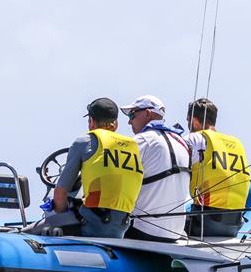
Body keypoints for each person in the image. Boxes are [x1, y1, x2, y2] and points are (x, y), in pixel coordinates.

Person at [50, 97, 144, 238]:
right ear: (116, 124)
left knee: (40, 229)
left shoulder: (84, 141)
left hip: (92, 227)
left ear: (92, 122)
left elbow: (60, 194)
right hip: (121, 229)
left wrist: (57, 216)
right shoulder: (133, 146)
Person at [120, 95, 190, 242]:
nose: (128, 121)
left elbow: (118, 181)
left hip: (143, 231)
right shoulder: (182, 142)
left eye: (132, 114)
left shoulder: (140, 141)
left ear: (147, 113)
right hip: (175, 233)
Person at [184, 98, 250, 237]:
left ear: (194, 121)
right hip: (234, 225)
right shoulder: (236, 143)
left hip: (203, 224)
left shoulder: (195, 139)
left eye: (188, 121)